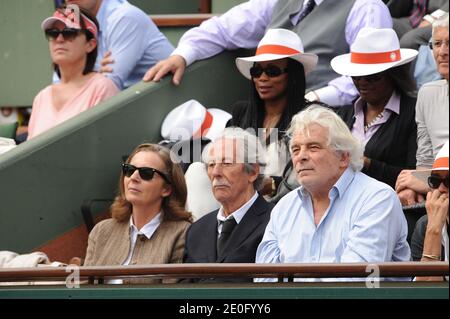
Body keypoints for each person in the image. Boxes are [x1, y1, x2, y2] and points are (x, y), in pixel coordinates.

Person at [255, 105, 410, 282]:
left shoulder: (377, 199)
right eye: (296, 149)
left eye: (313, 147)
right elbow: (264, 280)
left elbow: (356, 282)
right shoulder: (284, 206)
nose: (301, 157)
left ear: (343, 158)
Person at [144, 0, 393, 107]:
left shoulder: (366, 5)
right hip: (269, 114)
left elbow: (370, 72)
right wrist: (182, 55)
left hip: (328, 118)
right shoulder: (277, 1)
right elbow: (223, 28)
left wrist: (316, 98)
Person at [84, 143, 192, 284]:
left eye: (146, 173)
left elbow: (171, 293)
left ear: (166, 189)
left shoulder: (183, 233)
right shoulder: (101, 231)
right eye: (129, 170)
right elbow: (84, 287)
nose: (134, 177)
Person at [230, 28, 317, 196]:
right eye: (257, 71)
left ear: (292, 76)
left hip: (285, 202)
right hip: (240, 199)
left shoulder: (311, 116)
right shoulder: (241, 112)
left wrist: (274, 184)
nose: (262, 78)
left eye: (272, 71)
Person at [183, 128, 273, 283]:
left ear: (253, 171)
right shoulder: (196, 230)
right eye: (211, 165)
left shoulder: (275, 221)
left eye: (226, 163)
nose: (216, 172)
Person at [332, 27, 419, 188]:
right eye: (356, 76)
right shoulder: (342, 115)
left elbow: (415, 175)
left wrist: (367, 164)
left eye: (372, 77)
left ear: (393, 75)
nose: (362, 82)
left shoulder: (415, 113)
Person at [27, 5, 118, 140]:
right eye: (52, 33)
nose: (59, 39)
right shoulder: (41, 97)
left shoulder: (101, 88)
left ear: (90, 44)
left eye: (69, 32)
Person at [396, 14, 449, 205]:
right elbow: (425, 161)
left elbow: (422, 176)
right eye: (436, 44)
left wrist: (422, 182)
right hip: (438, 195)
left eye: (449, 43)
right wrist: (412, 187)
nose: (442, 51)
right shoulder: (427, 94)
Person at [65, 0, 174, 90]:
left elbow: (105, 89)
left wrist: (85, 76)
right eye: (53, 33)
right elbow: (61, 84)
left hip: (169, 104)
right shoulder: (71, 19)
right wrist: (95, 75)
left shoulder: (125, 16)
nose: (59, 38)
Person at [410, 140, 448, 281]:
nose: (441, 189)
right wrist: (434, 230)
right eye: (435, 181)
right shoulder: (425, 225)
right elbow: (425, 292)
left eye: (449, 181)